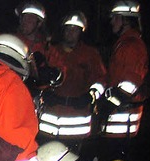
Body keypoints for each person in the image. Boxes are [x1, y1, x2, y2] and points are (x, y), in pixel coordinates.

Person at [38, 11, 107, 140]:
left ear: (81, 32)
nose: (70, 33)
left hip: (77, 122)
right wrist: (44, 92)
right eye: (68, 29)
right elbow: (40, 78)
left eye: (74, 30)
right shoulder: (51, 51)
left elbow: (101, 80)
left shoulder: (90, 54)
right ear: (63, 31)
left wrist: (91, 95)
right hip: (50, 121)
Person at [97, 0, 148, 140]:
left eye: (115, 17)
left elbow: (130, 85)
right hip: (118, 119)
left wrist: (109, 104)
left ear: (125, 20)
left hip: (123, 121)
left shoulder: (131, 46)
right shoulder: (124, 43)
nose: (112, 22)